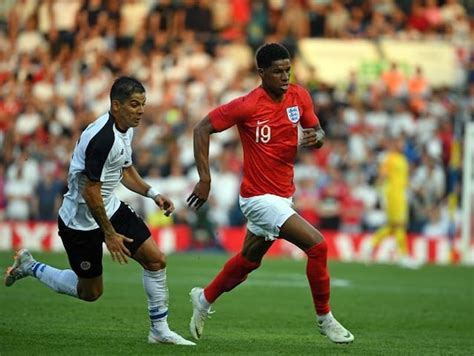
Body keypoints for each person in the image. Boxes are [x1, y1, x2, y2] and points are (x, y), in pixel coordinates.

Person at [4, 76, 195, 346]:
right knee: (90, 292)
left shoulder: (125, 129)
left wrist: (152, 193)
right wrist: (109, 234)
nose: (141, 110)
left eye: (142, 104)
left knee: (156, 260)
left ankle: (159, 330)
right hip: (80, 221)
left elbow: (124, 169)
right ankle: (31, 266)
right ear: (116, 105)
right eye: (134, 104)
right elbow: (90, 191)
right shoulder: (103, 138)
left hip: (109, 207)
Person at [186, 43, 354, 344]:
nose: (285, 76)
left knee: (249, 261)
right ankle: (324, 318)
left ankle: (204, 298)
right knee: (318, 247)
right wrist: (205, 179)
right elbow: (202, 129)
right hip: (258, 198)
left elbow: (317, 132)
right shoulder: (248, 105)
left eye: (288, 70)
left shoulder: (300, 96)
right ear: (261, 73)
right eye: (277, 71)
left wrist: (317, 138)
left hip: (283, 195)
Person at [362, 136, 419, 269]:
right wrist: (378, 194)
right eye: (400, 142)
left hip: (401, 194)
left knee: (394, 226)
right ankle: (403, 256)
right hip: (393, 195)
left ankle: (370, 245)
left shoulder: (402, 159)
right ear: (394, 144)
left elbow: (403, 178)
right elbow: (382, 176)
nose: (403, 145)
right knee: (399, 225)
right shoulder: (389, 159)